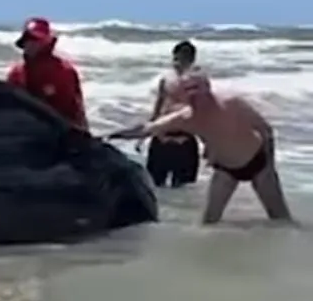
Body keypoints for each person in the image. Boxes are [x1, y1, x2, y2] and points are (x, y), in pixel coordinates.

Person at [108, 73, 292, 225]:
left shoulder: (232, 104)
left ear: (208, 89)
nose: (194, 96)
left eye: (198, 90)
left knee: (281, 220)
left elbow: (266, 130)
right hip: (226, 170)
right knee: (209, 223)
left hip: (259, 163)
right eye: (189, 92)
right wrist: (113, 135)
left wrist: (270, 164)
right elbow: (147, 129)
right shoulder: (186, 118)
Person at [6, 17, 88, 129]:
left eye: (35, 39)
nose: (30, 44)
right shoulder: (17, 72)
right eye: (27, 39)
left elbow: (76, 110)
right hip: (25, 131)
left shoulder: (63, 71)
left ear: (46, 42)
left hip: (60, 133)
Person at [142, 40, 201, 188]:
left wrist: (210, 142)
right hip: (162, 138)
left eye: (182, 59)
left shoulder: (197, 82)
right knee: (155, 186)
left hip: (185, 141)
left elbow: (202, 112)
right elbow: (158, 108)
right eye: (176, 58)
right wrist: (145, 133)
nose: (177, 62)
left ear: (191, 60)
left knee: (182, 189)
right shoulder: (165, 79)